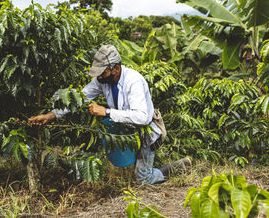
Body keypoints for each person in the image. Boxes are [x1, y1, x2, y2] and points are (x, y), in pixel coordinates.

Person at [28, 45, 190, 184]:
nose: (99, 77)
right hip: (127, 131)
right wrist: (50, 115)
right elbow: (80, 98)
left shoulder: (133, 81)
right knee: (138, 168)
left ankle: (177, 167)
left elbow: (142, 117)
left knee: (143, 180)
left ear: (116, 68)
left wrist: (105, 111)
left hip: (146, 131)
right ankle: (149, 168)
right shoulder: (103, 81)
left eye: (102, 73)